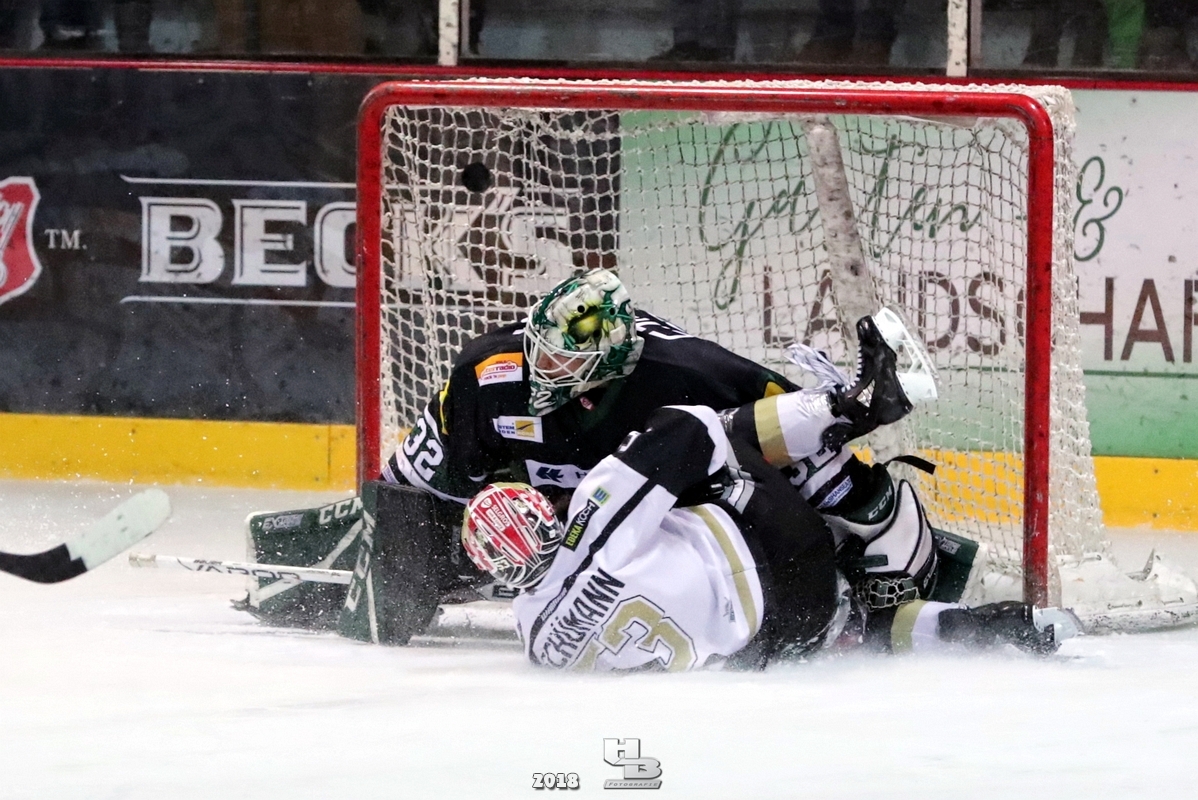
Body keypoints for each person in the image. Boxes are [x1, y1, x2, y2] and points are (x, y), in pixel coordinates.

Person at [460, 332, 1080, 670]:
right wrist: (627, 455)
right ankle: (853, 416)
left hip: (780, 643)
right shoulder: (592, 515)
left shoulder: (536, 639)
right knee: (719, 439)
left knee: (847, 628)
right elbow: (687, 428)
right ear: (544, 515)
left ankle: (987, 627)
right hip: (791, 554)